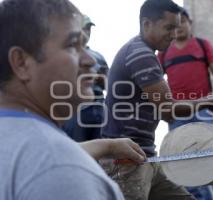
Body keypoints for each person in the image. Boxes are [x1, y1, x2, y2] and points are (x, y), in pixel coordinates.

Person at [0, 0, 146, 199]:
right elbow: (51, 164)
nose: (90, 60)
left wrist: (106, 146)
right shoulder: (59, 170)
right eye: (72, 45)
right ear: (21, 62)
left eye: (85, 45)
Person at [102, 0, 213, 199]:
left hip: (144, 155)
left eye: (177, 27)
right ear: (147, 24)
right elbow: (167, 109)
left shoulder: (145, 53)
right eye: (169, 27)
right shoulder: (140, 54)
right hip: (126, 160)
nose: (174, 34)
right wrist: (210, 101)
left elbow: (162, 107)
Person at [157, 8, 213, 200]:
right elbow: (156, 77)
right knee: (184, 161)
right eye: (176, 23)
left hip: (204, 110)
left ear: (191, 23)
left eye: (183, 21)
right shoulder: (164, 52)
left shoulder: (203, 45)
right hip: (177, 113)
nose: (179, 26)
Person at [63, 15, 109, 142]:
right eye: (84, 28)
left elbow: (110, 83)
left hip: (98, 108)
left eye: (89, 28)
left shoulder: (97, 57)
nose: (87, 32)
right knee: (77, 148)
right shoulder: (65, 54)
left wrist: (100, 79)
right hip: (77, 110)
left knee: (100, 150)